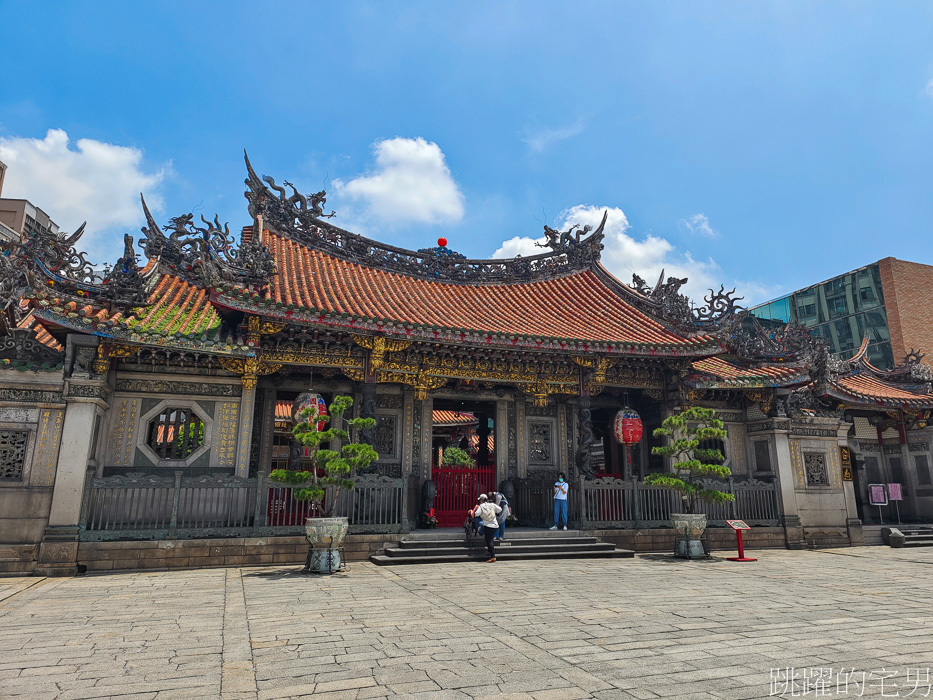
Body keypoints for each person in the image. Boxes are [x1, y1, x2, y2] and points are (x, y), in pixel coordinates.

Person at [470, 494, 502, 562]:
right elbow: (499, 509)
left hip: (488, 525)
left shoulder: (481, 506)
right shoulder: (492, 505)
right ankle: (490, 552)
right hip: (495, 525)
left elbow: (477, 514)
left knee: (489, 540)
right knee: (490, 539)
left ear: (481, 500)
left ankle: (493, 556)